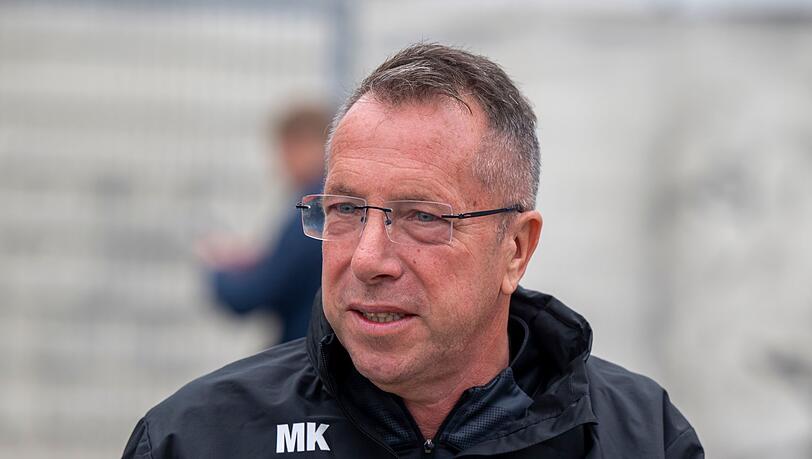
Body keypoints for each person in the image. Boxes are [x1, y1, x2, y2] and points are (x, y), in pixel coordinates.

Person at [124, 44, 704, 458]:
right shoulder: (197, 438)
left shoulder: (640, 437)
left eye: (423, 217)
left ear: (515, 249)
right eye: (346, 210)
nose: (368, 259)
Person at [196, 105, 330, 343]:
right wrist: (261, 260)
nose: (279, 163)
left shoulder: (314, 207)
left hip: (305, 348)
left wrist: (217, 269)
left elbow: (253, 294)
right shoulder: (338, 201)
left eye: (284, 151)